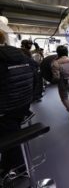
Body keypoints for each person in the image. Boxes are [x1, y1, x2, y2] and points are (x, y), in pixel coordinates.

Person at [0, 30, 36, 178]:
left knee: (8, 138)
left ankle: (19, 170)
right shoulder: (20, 54)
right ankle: (10, 167)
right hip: (23, 105)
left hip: (5, 110)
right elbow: (35, 73)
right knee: (10, 135)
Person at [51, 45, 69, 121]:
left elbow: (56, 77)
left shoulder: (55, 63)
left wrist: (52, 81)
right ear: (66, 52)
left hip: (63, 83)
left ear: (58, 53)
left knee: (64, 98)